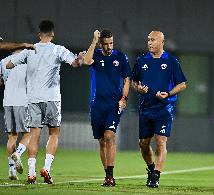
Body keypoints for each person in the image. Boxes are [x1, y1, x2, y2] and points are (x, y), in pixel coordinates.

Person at [6, 19, 84, 184]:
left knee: (34, 135)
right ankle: (46, 169)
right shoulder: (58, 49)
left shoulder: (30, 50)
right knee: (54, 133)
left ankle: (31, 174)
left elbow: (9, 64)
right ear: (53, 34)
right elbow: (76, 63)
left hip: (33, 99)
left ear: (39, 34)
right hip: (52, 98)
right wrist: (81, 57)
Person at [132, 31, 187, 188]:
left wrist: (168, 94)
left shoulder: (171, 61)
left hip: (164, 108)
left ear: (162, 42)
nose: (149, 43)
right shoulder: (141, 60)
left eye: (153, 40)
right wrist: (139, 89)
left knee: (161, 141)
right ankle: (151, 169)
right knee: (143, 143)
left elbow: (182, 84)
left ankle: (156, 176)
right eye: (148, 40)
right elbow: (134, 82)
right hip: (146, 108)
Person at [84, 29, 131, 187]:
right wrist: (94, 41)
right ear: (101, 44)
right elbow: (86, 60)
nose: (109, 46)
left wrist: (123, 98)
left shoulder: (120, 57)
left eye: (111, 43)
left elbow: (127, 80)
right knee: (102, 141)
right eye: (105, 44)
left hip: (113, 104)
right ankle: (106, 175)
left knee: (110, 136)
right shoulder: (96, 55)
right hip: (97, 104)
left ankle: (110, 176)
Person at [0, 49, 30, 180]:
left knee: (12, 137)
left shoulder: (3, 61)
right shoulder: (25, 62)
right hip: (22, 101)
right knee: (27, 134)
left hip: (7, 101)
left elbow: (1, 81)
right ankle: (18, 153)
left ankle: (12, 171)